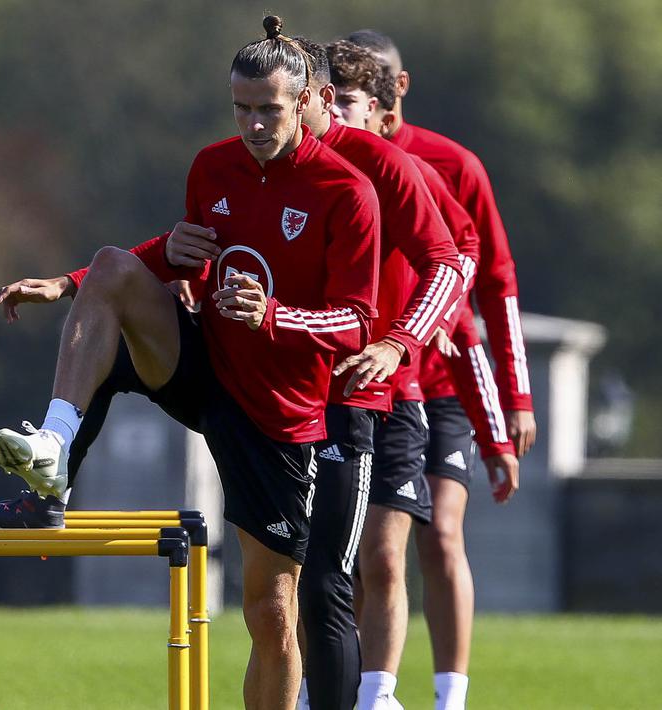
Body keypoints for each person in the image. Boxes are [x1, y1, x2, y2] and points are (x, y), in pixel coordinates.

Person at [0, 16, 381, 709]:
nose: (252, 125)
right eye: (240, 109)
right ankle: (52, 454)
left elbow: (358, 321)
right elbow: (181, 250)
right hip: (203, 364)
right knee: (110, 268)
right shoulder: (212, 165)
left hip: (277, 417)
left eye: (268, 110)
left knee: (270, 613)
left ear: (304, 102)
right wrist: (67, 282)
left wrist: (270, 315)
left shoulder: (345, 192)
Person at [345, 30, 528, 710]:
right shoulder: (333, 164)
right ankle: (356, 687)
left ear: (398, 86)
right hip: (377, 380)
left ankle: (448, 697)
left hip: (441, 378)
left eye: (378, 91)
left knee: (440, 533)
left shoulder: (448, 165)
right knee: (366, 553)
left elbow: (488, 278)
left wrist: (513, 404)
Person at [288, 38, 466, 710]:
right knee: (312, 565)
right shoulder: (269, 166)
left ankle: (378, 696)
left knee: (381, 558)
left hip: (391, 391)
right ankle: (313, 690)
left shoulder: (393, 168)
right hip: (304, 395)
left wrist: (401, 341)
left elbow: (456, 258)